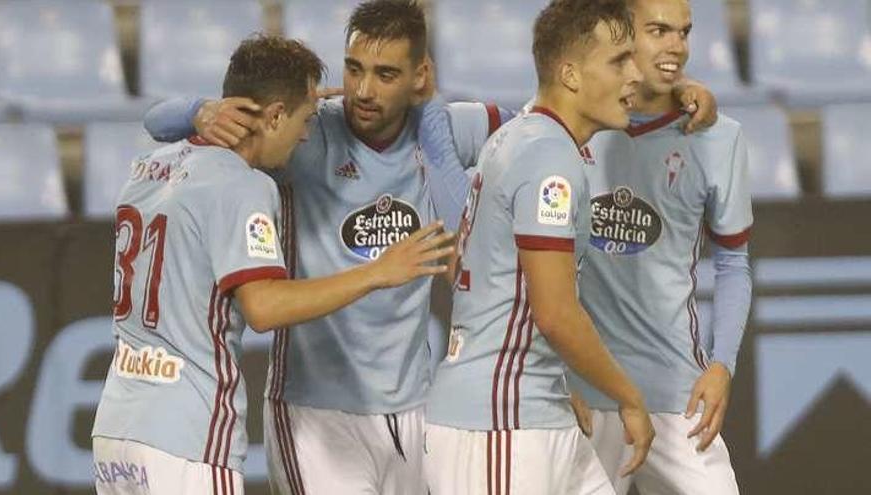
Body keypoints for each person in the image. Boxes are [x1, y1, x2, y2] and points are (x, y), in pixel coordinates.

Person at [142, 1, 718, 492]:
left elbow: (556, 103)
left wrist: (668, 91)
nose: (364, 91)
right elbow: (157, 121)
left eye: (386, 74)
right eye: (355, 69)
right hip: (315, 408)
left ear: (421, 76)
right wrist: (197, 110)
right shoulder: (308, 130)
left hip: (418, 407)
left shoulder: (456, 129)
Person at [91, 35, 451, 495]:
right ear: (276, 115)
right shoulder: (243, 185)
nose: (306, 134)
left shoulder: (147, 168)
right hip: (188, 433)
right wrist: (378, 271)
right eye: (303, 118)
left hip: (117, 430)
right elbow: (263, 306)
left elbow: (161, 121)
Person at [422, 1, 654, 493]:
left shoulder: (523, 138)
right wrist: (629, 398)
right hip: (499, 422)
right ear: (570, 74)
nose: (636, 75)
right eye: (619, 61)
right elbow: (555, 314)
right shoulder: (549, 159)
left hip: (534, 405)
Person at [567, 1, 752, 493]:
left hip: (676, 395)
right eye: (659, 31)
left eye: (684, 33)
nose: (676, 46)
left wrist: (722, 364)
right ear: (623, 35)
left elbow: (734, 262)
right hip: (584, 395)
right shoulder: (572, 126)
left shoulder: (719, 138)